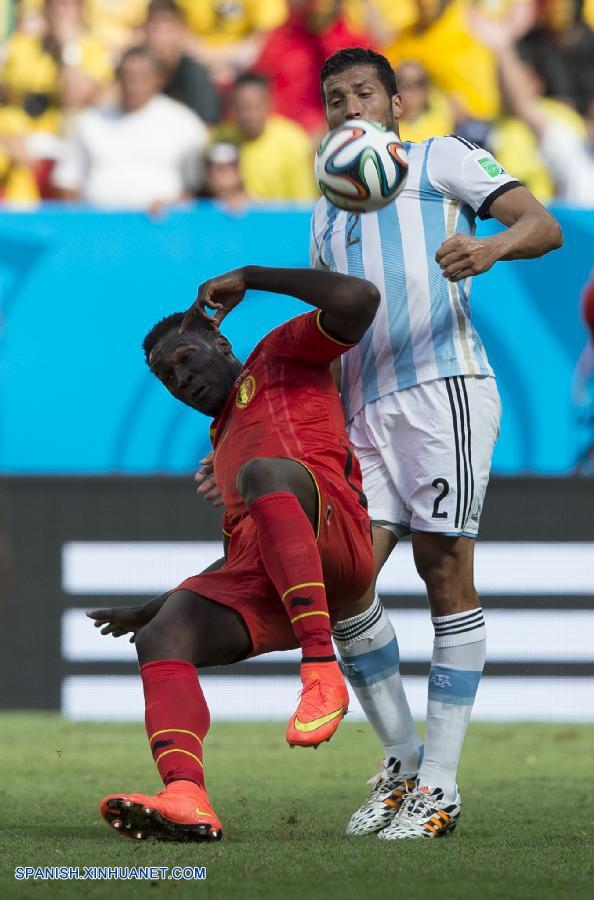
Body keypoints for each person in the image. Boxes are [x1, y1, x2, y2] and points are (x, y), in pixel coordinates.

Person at [308, 46, 562, 840]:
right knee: (345, 578)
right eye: (333, 98)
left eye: (362, 93)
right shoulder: (324, 208)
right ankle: (403, 763)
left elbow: (542, 224)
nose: (347, 107)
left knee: (441, 566)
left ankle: (441, 788)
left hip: (441, 385)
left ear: (393, 106)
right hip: (364, 406)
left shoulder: (440, 158)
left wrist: (487, 249)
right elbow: (327, 336)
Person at [87, 264, 378, 842]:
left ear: (219, 342)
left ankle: (322, 671)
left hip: (339, 540)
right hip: (286, 584)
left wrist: (251, 277)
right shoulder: (221, 444)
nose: (181, 380)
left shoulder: (280, 356)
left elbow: (360, 299)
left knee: (263, 474)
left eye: (187, 360)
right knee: (164, 636)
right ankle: (185, 795)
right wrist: (160, 603)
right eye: (168, 379)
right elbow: (252, 552)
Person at [51, 46, 208, 209]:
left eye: (142, 77)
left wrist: (171, 207)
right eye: (127, 76)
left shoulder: (183, 122)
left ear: (159, 79)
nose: (133, 83)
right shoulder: (89, 122)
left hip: (162, 228)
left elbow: (194, 186)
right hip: (100, 228)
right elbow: (68, 180)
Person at [217, 72, 317, 201]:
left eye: (254, 107)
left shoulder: (293, 143)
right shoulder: (220, 140)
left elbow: (303, 204)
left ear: (269, 105)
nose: (248, 115)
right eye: (241, 107)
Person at [144, 0, 220, 125]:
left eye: (167, 29)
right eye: (155, 27)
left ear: (181, 30)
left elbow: (206, 127)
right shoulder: (137, 70)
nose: (160, 37)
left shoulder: (195, 74)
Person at [198, 142, 252, 211]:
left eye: (231, 165)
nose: (223, 173)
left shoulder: (256, 206)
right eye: (218, 167)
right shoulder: (191, 204)